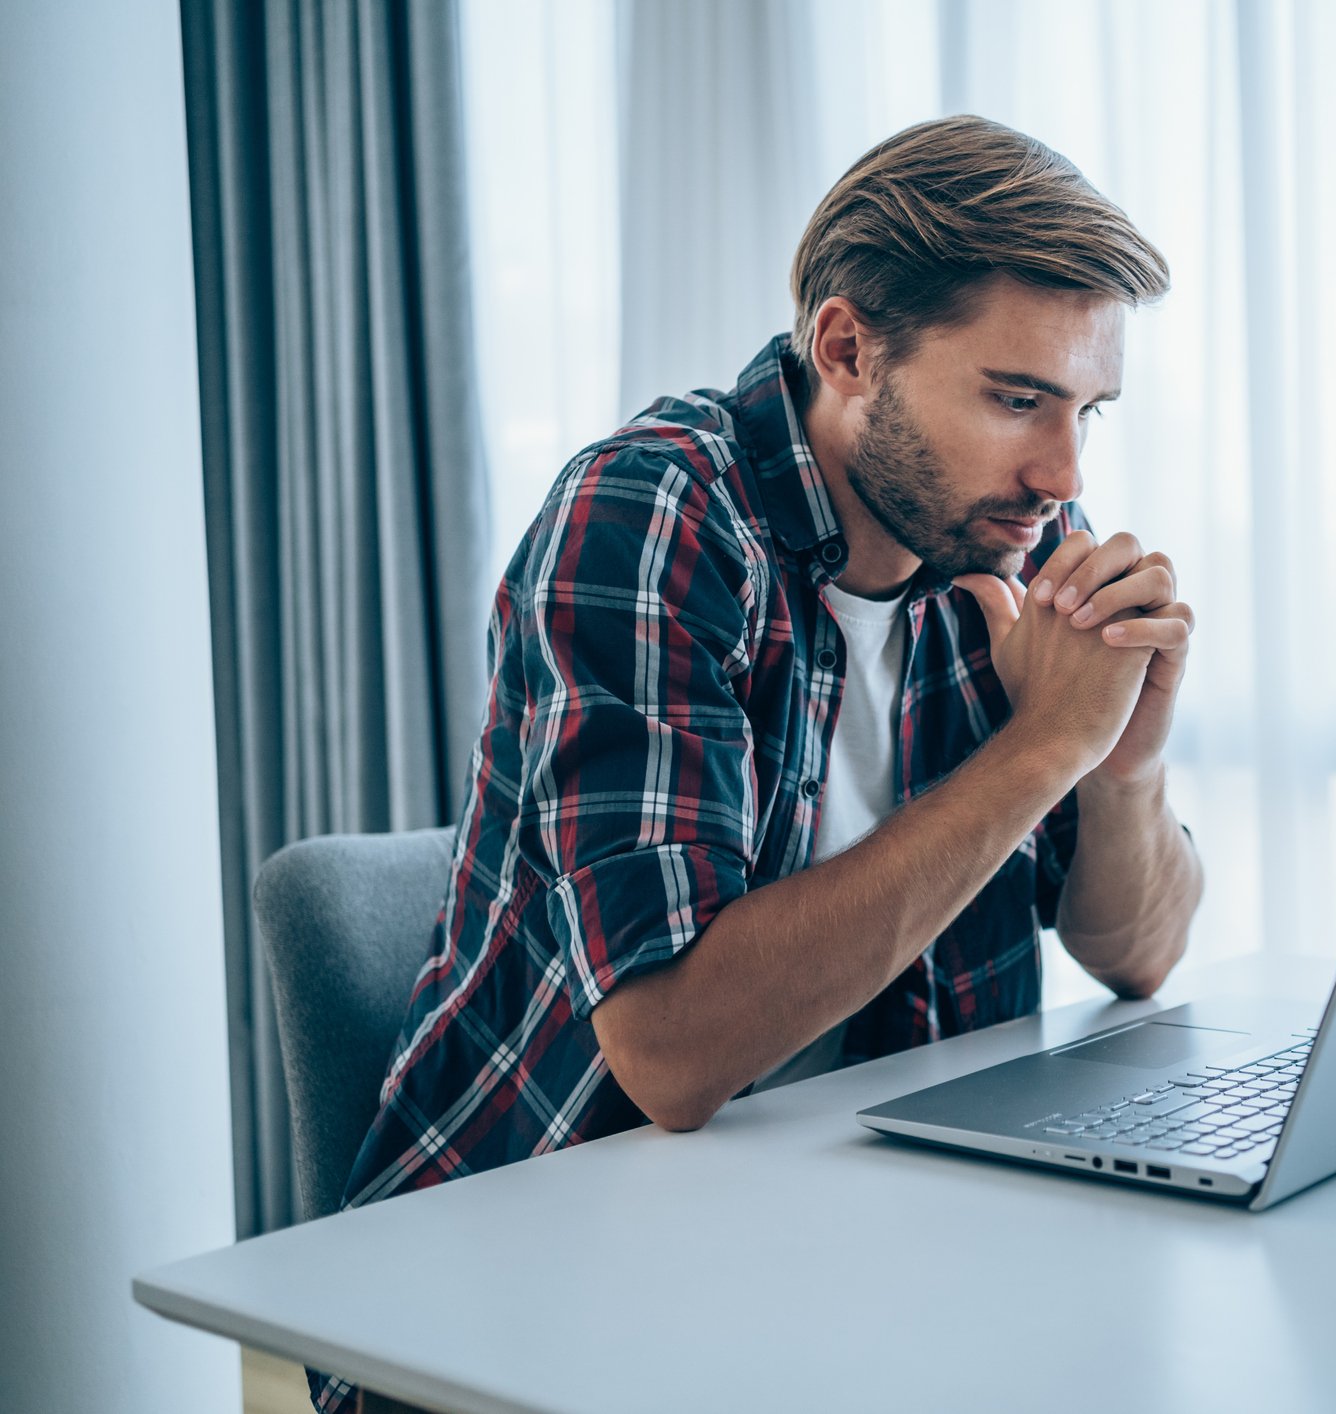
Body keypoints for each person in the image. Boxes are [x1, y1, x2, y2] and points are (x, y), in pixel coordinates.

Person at [313, 114, 1204, 1414]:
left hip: (858, 1256)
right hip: (530, 1292)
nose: (1060, 473)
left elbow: (1138, 955)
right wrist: (1044, 745)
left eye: (1087, 412)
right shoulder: (650, 518)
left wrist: (1122, 765)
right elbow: (669, 1053)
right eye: (1015, 399)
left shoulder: (1000, 537)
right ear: (847, 350)